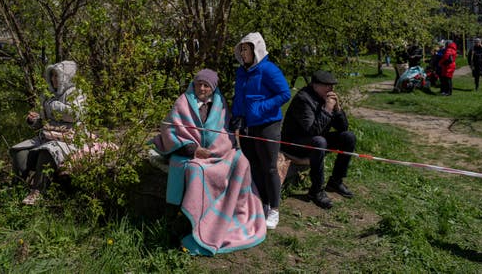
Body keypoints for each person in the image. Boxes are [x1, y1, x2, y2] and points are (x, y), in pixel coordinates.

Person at [151, 69, 266, 255]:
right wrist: (193, 150)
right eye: (199, 84)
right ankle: (190, 222)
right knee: (196, 171)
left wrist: (220, 150)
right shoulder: (183, 102)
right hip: (189, 154)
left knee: (242, 161)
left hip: (217, 153)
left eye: (207, 85)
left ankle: (233, 213)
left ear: (213, 88)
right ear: (193, 85)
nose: (202, 88)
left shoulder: (220, 105)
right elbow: (170, 131)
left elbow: (225, 132)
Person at [230, 32, 291, 229]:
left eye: (246, 49)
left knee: (270, 167)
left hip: (267, 124)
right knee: (254, 165)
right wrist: (237, 115)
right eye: (241, 49)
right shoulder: (242, 72)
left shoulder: (268, 70)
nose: (243, 53)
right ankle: (262, 203)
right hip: (248, 125)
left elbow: (284, 93)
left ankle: (274, 209)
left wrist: (261, 107)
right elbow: (239, 97)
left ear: (256, 50)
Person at [10, 60, 86, 205]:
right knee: (20, 152)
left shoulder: (76, 93)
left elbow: (75, 114)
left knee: (47, 151)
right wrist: (34, 120)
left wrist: (53, 105)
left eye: (56, 76)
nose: (53, 79)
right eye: (52, 76)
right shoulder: (47, 95)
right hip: (46, 136)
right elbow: (43, 121)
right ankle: (16, 188)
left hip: (69, 138)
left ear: (66, 77)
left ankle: (38, 192)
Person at [281, 71, 356, 209]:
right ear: (315, 85)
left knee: (348, 137)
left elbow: (343, 128)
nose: (331, 90)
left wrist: (338, 109)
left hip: (315, 139)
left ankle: (336, 181)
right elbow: (313, 131)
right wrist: (327, 109)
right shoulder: (303, 99)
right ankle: (316, 190)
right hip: (294, 143)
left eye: (332, 86)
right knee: (319, 141)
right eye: (327, 86)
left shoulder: (325, 97)